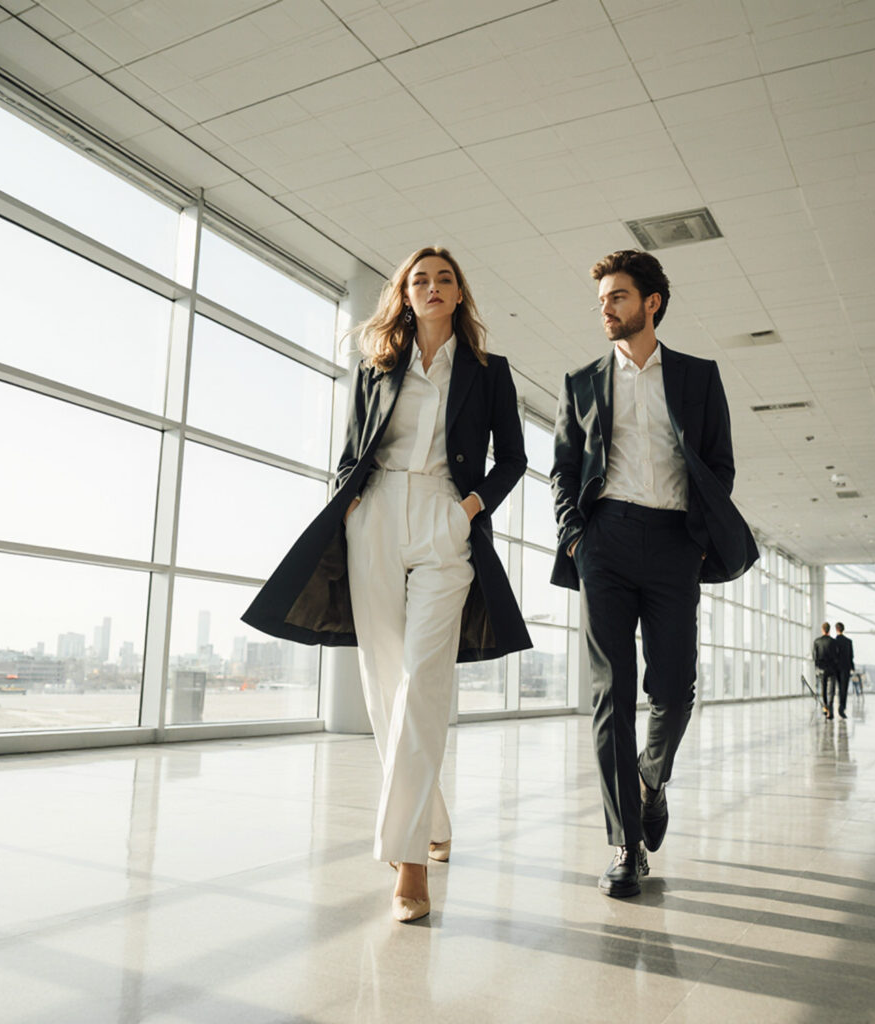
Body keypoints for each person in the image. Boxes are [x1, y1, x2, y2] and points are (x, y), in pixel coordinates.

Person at [242, 246, 530, 922]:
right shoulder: (376, 368)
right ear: (403, 294)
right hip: (372, 518)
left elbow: (514, 457)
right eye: (417, 280)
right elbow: (351, 453)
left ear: (459, 294)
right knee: (385, 681)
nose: (431, 287)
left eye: (444, 279)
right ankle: (431, 816)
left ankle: (406, 866)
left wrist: (468, 510)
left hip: (442, 517)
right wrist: (348, 512)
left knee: (425, 678)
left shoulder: (490, 372)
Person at [550, 249, 757, 898]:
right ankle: (624, 844)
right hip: (604, 543)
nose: (606, 309)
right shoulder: (583, 382)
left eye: (617, 297)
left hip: (674, 545)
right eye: (602, 300)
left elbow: (719, 465)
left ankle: (649, 780)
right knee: (612, 693)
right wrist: (576, 539)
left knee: (674, 688)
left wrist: (696, 540)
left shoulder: (697, 377)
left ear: (651, 303)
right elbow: (563, 471)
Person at [813, 622, 838, 720]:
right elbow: (837, 655)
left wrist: (817, 667)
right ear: (829, 630)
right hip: (832, 668)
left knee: (823, 689)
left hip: (822, 669)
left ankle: (825, 708)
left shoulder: (817, 641)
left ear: (822, 630)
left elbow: (815, 656)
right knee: (831, 690)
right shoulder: (834, 642)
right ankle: (830, 710)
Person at [833, 622, 855, 718]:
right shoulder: (848, 641)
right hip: (846, 668)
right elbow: (851, 656)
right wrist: (852, 668)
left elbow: (833, 655)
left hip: (836, 668)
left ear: (836, 629)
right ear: (843, 629)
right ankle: (842, 707)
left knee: (838, 687)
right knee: (844, 688)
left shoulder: (834, 642)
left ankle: (839, 705)